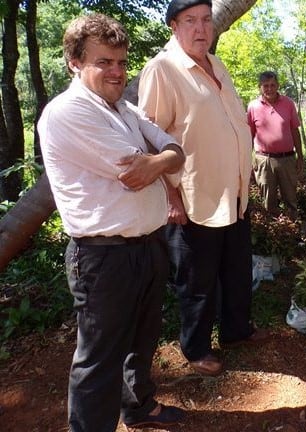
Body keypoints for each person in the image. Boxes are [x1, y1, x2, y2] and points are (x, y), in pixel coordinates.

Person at [38, 13, 186, 430]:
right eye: (104, 62)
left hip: (148, 245)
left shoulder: (123, 108)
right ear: (74, 62)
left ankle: (138, 408)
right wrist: (162, 159)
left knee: (141, 342)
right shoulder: (67, 113)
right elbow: (133, 172)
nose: (117, 71)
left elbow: (174, 151)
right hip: (103, 258)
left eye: (122, 62)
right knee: (99, 359)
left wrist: (159, 159)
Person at [138, 0, 257, 377]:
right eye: (190, 21)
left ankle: (237, 331)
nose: (201, 28)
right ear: (174, 26)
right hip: (192, 198)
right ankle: (196, 347)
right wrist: (170, 197)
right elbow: (149, 139)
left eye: (206, 19)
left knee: (236, 270)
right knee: (197, 281)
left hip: (232, 195)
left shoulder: (216, 64)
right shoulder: (162, 70)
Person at [247, 70, 303, 218]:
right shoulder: (253, 107)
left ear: (278, 85)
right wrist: (247, 161)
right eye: (266, 85)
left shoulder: (288, 103)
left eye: (273, 85)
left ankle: (293, 232)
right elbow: (249, 136)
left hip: (287, 159)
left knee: (291, 199)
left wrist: (301, 157)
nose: (269, 89)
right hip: (264, 160)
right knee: (268, 200)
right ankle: (273, 234)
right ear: (260, 87)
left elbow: (295, 131)